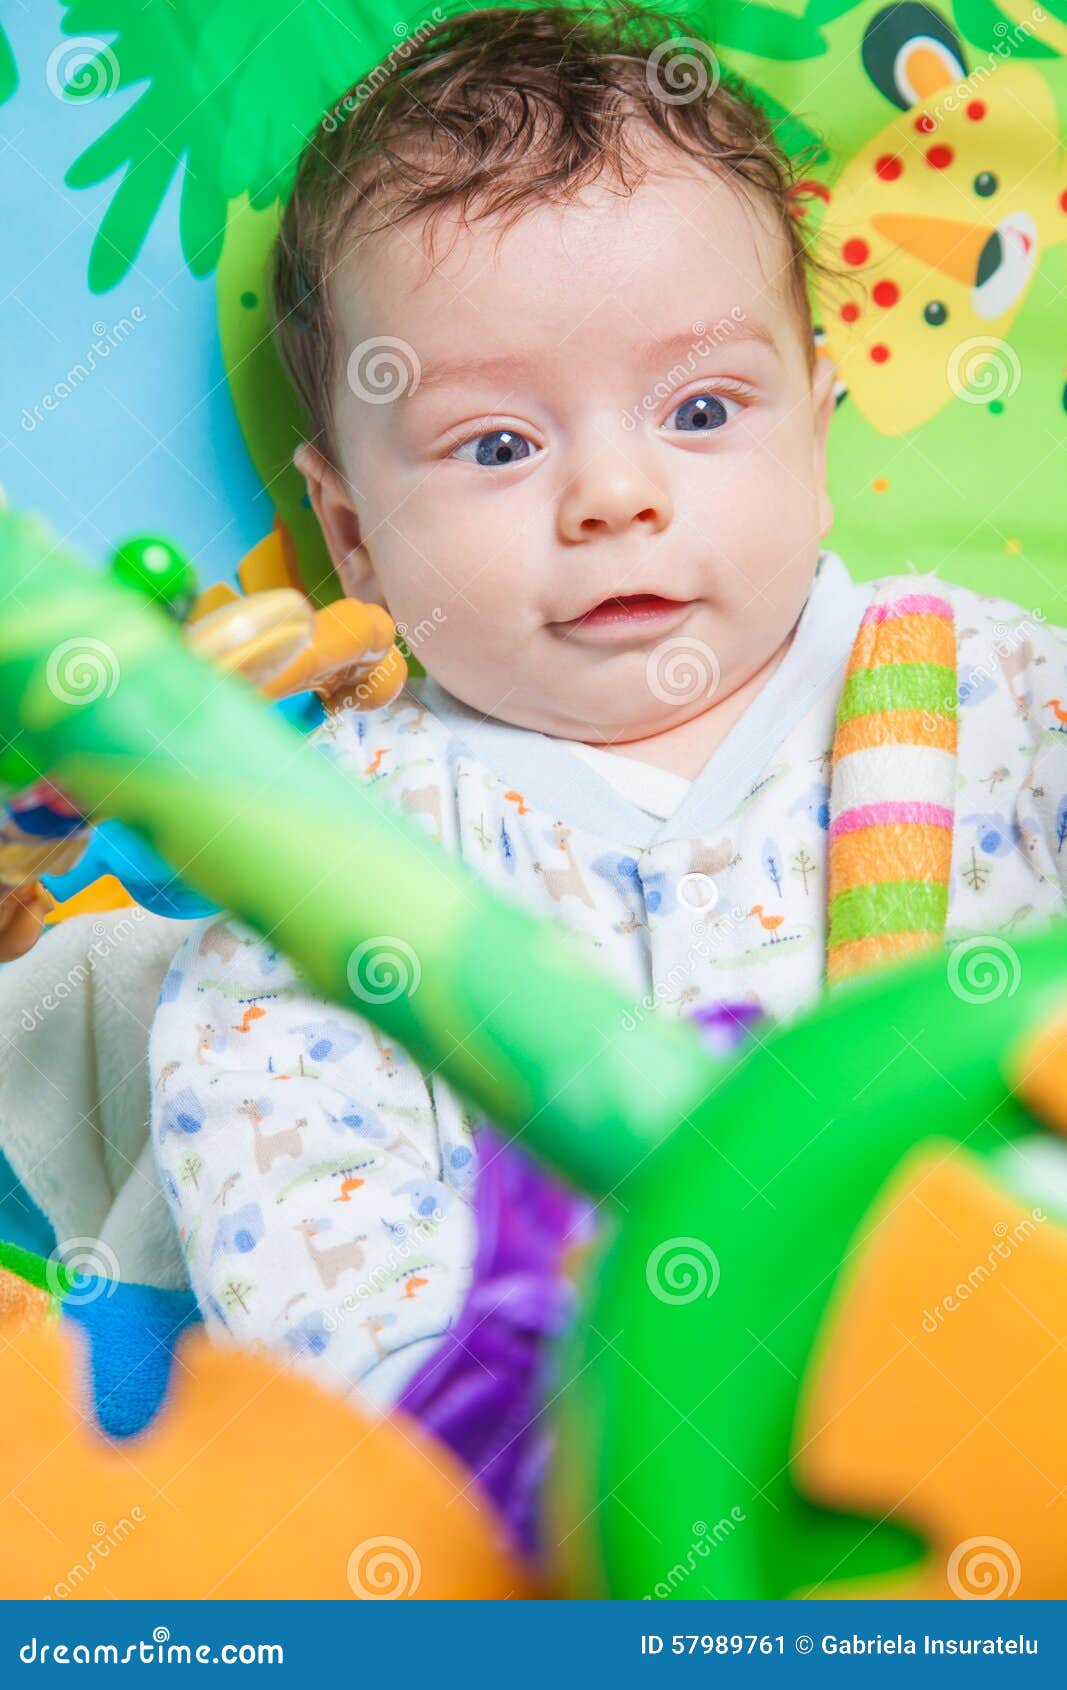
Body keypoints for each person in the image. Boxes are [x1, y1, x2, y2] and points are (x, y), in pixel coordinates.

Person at [149, 1, 1067, 1556]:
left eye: (701, 413)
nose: (616, 496)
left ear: (818, 433)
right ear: (353, 531)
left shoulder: (1003, 695)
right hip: (614, 1512)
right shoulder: (332, 851)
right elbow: (296, 1221)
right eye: (497, 445)